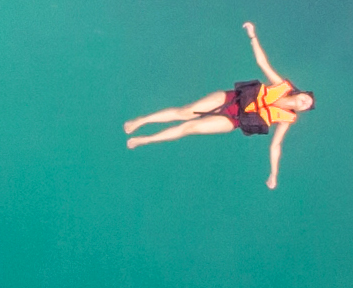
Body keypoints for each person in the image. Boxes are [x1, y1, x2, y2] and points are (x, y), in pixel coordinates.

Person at [124, 21, 315, 191]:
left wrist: (273, 174)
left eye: (308, 106)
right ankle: (142, 120)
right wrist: (253, 36)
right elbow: (262, 63)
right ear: (301, 93)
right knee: (185, 113)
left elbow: (276, 146)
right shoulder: (280, 85)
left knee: (189, 128)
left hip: (236, 120)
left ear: (302, 110)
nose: (306, 102)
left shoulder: (286, 120)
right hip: (230, 99)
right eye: (307, 98)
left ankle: (146, 140)